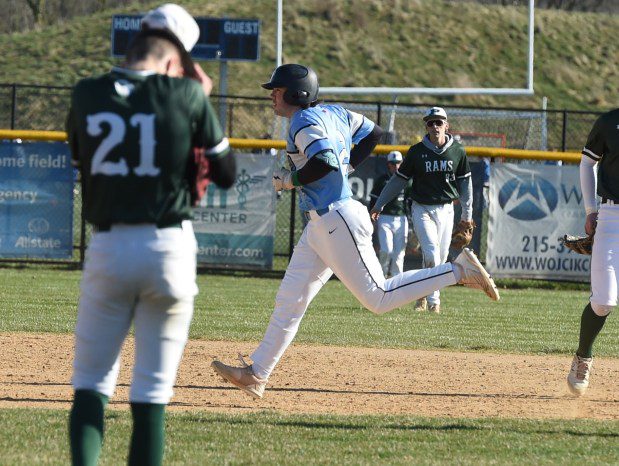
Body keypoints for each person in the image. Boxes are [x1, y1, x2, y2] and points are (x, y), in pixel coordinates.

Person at [211, 64, 499, 399]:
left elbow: (325, 163)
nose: (272, 96)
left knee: (379, 296)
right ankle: (256, 373)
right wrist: (346, 164)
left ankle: (458, 270)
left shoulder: (302, 121)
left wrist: (290, 180)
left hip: (336, 218)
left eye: (276, 90)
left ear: (295, 94)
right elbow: (375, 133)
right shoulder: (334, 112)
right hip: (322, 224)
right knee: (289, 300)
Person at [66, 4, 236, 465]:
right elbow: (226, 174)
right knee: (152, 391)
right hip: (169, 247)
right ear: (171, 60)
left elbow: (85, 163)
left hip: (108, 244)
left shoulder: (85, 93)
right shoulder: (186, 95)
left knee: (91, 385)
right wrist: (198, 106)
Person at [371, 107, 474, 314]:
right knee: (431, 253)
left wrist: (467, 215)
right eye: (430, 122)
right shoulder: (417, 152)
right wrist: (379, 204)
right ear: (426, 126)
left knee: (442, 258)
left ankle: (421, 292)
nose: (435, 126)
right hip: (422, 208)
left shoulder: (457, 151)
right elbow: (398, 181)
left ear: (447, 125)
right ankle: (433, 301)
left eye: (439, 122)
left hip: (446, 209)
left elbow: (466, 185)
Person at [567, 107, 619, 396]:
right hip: (612, 218)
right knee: (603, 301)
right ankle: (582, 357)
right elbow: (587, 163)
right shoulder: (610, 122)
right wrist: (591, 210)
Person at [368, 150, 411, 277]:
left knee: (399, 253)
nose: (396, 166)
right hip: (385, 218)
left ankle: (397, 279)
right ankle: (381, 277)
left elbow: (410, 202)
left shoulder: (407, 180)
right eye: (393, 163)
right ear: (388, 164)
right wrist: (372, 220)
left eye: (398, 163)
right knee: (386, 250)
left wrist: (413, 222)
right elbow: (373, 201)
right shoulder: (382, 180)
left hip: (402, 218)